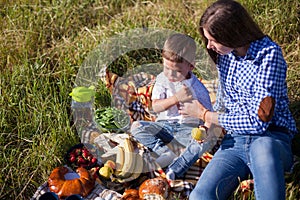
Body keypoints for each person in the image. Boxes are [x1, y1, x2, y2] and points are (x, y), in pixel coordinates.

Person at [177, 1, 298, 200]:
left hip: (271, 138)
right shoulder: (225, 55)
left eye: (213, 40)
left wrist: (206, 114)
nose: (209, 46)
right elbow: (225, 100)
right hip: (235, 141)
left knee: (262, 148)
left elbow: (260, 122)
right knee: (200, 196)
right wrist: (208, 125)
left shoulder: (268, 56)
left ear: (231, 34)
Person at [130, 33, 214, 169]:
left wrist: (203, 127)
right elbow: (156, 107)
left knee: (203, 143)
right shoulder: (162, 79)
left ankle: (177, 168)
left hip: (186, 130)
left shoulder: (198, 89)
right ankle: (164, 151)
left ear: (191, 66)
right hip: (164, 127)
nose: (170, 74)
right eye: (166, 68)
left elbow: (208, 116)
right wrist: (176, 99)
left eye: (177, 71)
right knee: (136, 127)